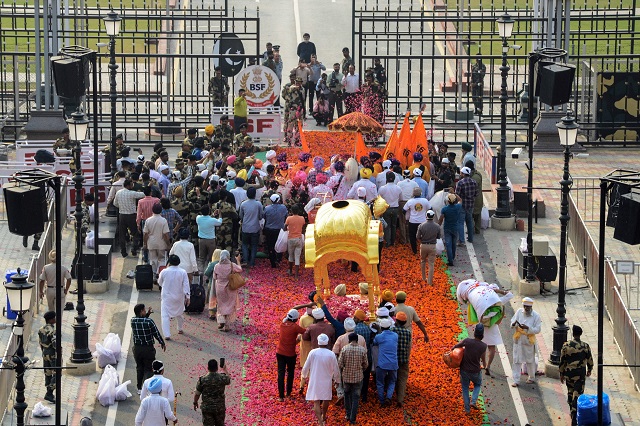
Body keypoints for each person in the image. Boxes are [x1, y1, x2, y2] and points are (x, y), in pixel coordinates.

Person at [301, 334, 341, 426]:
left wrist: (304, 375)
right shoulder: (331, 354)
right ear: (327, 343)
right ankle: (324, 416)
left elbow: (306, 366)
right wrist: (337, 380)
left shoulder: (313, 352)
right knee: (326, 399)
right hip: (326, 379)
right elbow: (336, 368)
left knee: (316, 400)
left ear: (318, 342)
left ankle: (320, 421)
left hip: (315, 378)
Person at [560, 325, 594, 425]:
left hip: (569, 374)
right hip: (580, 375)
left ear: (573, 334)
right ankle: (575, 415)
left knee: (570, 392)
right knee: (578, 395)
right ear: (580, 334)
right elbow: (590, 360)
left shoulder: (566, 345)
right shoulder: (585, 346)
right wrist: (590, 369)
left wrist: (561, 374)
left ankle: (572, 410)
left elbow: (562, 360)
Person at [131, 303, 166, 394]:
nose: (145, 311)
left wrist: (147, 314)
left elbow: (142, 321)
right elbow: (156, 333)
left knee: (139, 368)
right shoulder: (149, 322)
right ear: (141, 311)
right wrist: (162, 342)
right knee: (148, 369)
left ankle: (139, 388)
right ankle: (148, 388)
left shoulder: (133, 321)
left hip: (137, 349)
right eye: (144, 310)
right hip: (148, 349)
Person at [453, 323, 487, 413]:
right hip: (475, 371)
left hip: (464, 370)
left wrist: (452, 352)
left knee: (465, 388)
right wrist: (485, 366)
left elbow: (456, 346)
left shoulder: (467, 341)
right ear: (483, 335)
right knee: (477, 384)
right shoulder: (483, 346)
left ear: (474, 333)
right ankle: (474, 401)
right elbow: (483, 360)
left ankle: (467, 409)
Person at [510, 297, 542, 387]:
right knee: (516, 360)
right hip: (518, 339)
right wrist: (513, 324)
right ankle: (516, 380)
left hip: (528, 340)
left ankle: (531, 377)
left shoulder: (536, 316)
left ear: (531, 307)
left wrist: (528, 328)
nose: (526, 308)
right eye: (525, 306)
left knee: (530, 361)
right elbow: (512, 322)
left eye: (528, 307)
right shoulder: (519, 312)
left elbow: (538, 329)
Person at [338, 332, 368, 424]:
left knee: (347, 395)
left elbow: (340, 364)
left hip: (346, 377)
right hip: (358, 378)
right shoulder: (362, 350)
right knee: (356, 397)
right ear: (357, 340)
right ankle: (353, 418)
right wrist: (360, 369)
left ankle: (348, 414)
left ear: (349, 340)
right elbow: (366, 364)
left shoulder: (344, 349)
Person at [158, 255, 191, 340]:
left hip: (167, 297)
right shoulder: (183, 272)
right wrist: (188, 296)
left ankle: (167, 335)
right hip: (179, 297)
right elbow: (186, 285)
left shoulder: (164, 271)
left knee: (165, 315)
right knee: (179, 313)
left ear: (169, 262)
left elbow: (160, 282)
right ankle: (180, 328)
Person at [276, 309, 306, 401]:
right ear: (295, 319)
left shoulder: (282, 324)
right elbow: (305, 331)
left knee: (281, 373)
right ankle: (288, 393)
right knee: (290, 373)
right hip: (290, 354)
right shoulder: (295, 327)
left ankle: (281, 396)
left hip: (280, 352)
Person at [194, 359, 232, 426]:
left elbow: (197, 394)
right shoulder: (222, 378)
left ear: (208, 368)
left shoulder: (202, 380)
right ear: (217, 368)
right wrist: (225, 369)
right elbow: (228, 380)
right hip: (219, 408)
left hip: (207, 408)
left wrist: (195, 402)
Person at [114, 178, 145, 257]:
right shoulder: (132, 193)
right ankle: (134, 249)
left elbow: (115, 203)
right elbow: (143, 194)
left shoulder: (118, 193)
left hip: (122, 215)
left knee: (122, 234)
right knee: (135, 233)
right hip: (131, 215)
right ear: (128, 185)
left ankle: (123, 251)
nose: (132, 185)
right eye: (131, 184)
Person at [213, 250, 242, 331]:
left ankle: (221, 321)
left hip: (220, 288)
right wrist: (238, 261)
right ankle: (227, 325)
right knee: (230, 305)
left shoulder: (217, 266)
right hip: (231, 288)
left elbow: (215, 277)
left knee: (221, 304)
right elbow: (240, 269)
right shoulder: (232, 265)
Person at [373, 318, 398, 406]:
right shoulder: (395, 335)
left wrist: (378, 331)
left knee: (380, 383)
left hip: (382, 364)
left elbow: (375, 343)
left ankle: (382, 401)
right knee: (392, 381)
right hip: (393, 363)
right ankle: (388, 397)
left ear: (381, 327)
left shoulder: (379, 337)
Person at [391, 312, 413, 407]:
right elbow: (408, 346)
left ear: (396, 321)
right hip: (404, 359)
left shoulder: (392, 330)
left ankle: (390, 396)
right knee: (402, 379)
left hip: (393, 359)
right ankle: (400, 399)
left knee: (392, 378)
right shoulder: (408, 333)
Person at [143, 203, 170, 278]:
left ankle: (154, 275)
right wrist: (168, 244)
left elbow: (145, 234)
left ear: (152, 210)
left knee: (153, 260)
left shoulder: (148, 220)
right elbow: (165, 235)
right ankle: (160, 274)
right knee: (162, 259)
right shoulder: (163, 221)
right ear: (161, 210)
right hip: (161, 243)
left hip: (151, 243)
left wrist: (145, 244)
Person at [239, 187, 263, 268]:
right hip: (255, 228)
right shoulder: (258, 204)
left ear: (247, 194)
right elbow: (260, 216)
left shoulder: (243, 204)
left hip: (245, 227)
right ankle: (252, 263)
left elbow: (241, 216)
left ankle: (245, 260)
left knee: (245, 245)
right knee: (254, 246)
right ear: (255, 194)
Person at [403, 187, 431, 254]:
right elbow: (430, 209)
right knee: (424, 236)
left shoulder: (410, 201)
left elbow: (404, 210)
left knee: (412, 237)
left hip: (412, 221)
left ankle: (414, 251)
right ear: (421, 193)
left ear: (413, 194)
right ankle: (425, 250)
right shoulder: (425, 201)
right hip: (423, 221)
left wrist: (408, 215)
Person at [416, 210, 442, 284]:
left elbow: (417, 236)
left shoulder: (421, 225)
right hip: (432, 246)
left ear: (426, 216)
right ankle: (429, 282)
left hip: (423, 245)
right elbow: (438, 236)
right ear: (433, 216)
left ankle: (424, 277)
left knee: (423, 261)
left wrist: (422, 241)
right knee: (431, 264)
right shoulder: (437, 226)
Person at [263, 194, 288, 268]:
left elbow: (263, 217)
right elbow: (286, 216)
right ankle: (278, 259)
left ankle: (272, 262)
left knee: (270, 246)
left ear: (271, 200)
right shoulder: (283, 208)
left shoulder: (267, 208)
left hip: (269, 230)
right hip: (279, 230)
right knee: (279, 244)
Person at [378, 171, 402, 247]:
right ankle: (393, 241)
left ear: (387, 179)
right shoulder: (398, 188)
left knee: (387, 226)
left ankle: (388, 242)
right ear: (394, 179)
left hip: (386, 208)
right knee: (394, 225)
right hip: (395, 209)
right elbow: (400, 198)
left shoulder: (382, 188)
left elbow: (379, 199)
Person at [196, 206, 223, 272]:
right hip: (211, 241)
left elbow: (206, 218)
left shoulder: (198, 218)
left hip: (201, 240)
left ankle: (200, 272)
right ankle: (210, 272)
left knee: (201, 258)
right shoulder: (212, 220)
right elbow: (220, 222)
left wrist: (213, 214)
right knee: (212, 258)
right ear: (209, 211)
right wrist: (220, 213)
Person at [38, 311, 57, 403]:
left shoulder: (41, 329)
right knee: (57, 373)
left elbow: (40, 343)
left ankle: (48, 392)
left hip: (45, 353)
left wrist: (44, 352)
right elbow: (54, 344)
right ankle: (49, 392)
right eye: (54, 317)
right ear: (51, 319)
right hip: (52, 353)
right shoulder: (52, 330)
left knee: (48, 372)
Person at [439, 193, 462, 266]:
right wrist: (454, 193)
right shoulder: (458, 207)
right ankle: (453, 256)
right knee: (453, 244)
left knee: (448, 244)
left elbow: (441, 219)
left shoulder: (444, 209)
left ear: (448, 201)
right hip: (455, 228)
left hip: (447, 228)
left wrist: (437, 226)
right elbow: (460, 200)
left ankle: (450, 259)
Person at [284, 203, 305, 278]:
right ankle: (296, 275)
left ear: (291, 211)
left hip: (291, 239)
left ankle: (290, 270)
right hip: (299, 239)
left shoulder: (289, 218)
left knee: (291, 256)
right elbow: (303, 227)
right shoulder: (302, 218)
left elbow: (284, 228)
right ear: (298, 211)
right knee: (297, 256)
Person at [467, 161, 484, 234]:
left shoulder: (475, 177)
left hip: (476, 199)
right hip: (475, 198)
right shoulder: (475, 174)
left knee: (475, 215)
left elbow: (471, 187)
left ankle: (475, 229)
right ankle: (475, 229)